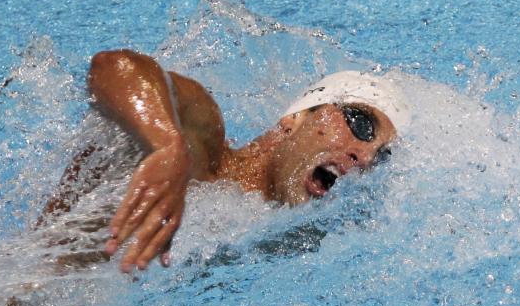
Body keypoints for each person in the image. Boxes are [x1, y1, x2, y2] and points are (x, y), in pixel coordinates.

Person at [41, 49, 411, 274]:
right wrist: (167, 145)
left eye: (380, 156)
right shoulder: (203, 151)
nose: (363, 156)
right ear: (295, 117)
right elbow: (114, 67)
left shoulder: (292, 240)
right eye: (361, 125)